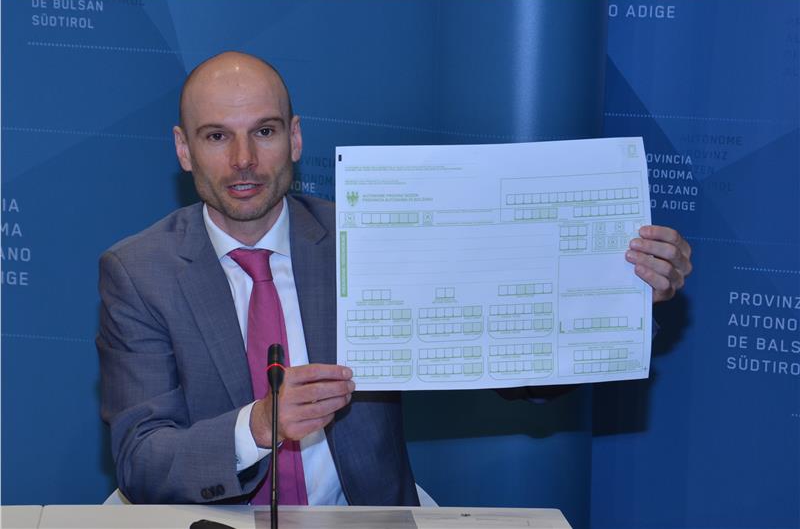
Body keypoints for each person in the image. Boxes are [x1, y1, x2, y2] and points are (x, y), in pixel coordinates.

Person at [97, 51, 692, 506]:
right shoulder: (139, 272)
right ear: (184, 149)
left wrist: (623, 292)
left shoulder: (371, 238)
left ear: (295, 138)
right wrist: (257, 425)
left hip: (365, 516)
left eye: (265, 131)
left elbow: (522, 373)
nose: (244, 159)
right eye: (217, 136)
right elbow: (141, 458)